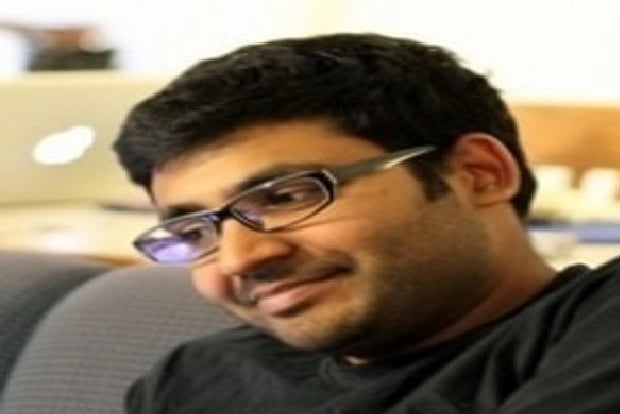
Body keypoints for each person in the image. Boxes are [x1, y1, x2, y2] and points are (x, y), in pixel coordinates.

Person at [114, 33, 620, 413]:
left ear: (478, 174)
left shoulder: (590, 332)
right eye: (195, 231)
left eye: (286, 197)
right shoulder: (195, 378)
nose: (239, 259)